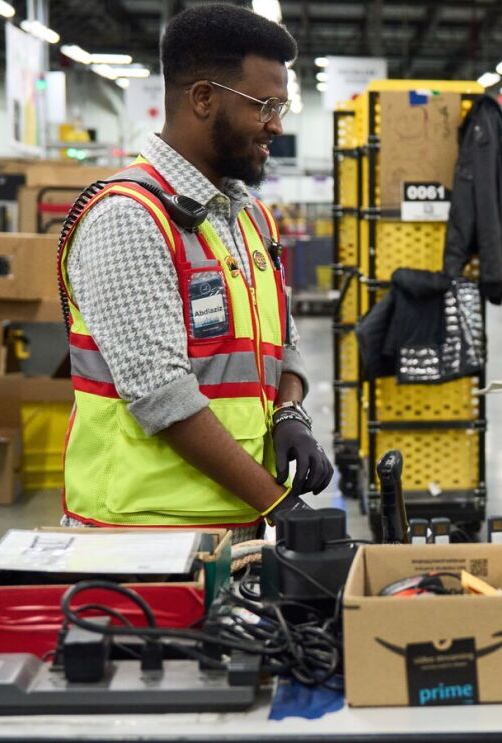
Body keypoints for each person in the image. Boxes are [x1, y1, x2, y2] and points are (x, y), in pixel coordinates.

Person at [57, 4, 331, 539]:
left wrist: (289, 414)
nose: (276, 124)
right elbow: (161, 395)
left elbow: (285, 346)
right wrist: (279, 505)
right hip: (141, 538)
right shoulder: (129, 217)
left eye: (282, 106)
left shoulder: (249, 215)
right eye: (265, 105)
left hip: (236, 524)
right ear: (203, 98)